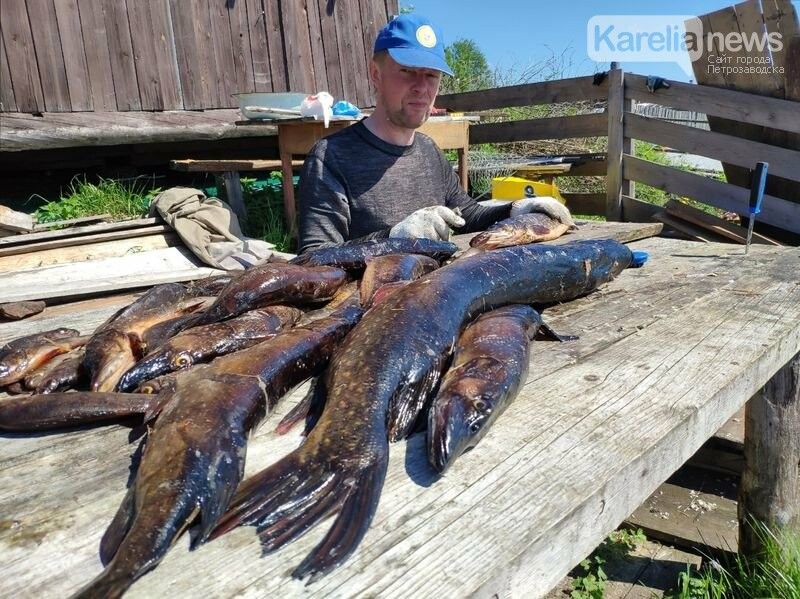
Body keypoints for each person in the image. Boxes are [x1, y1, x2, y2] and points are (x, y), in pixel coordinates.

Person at [297, 13, 570, 254]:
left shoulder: (429, 151)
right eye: (407, 71)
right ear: (376, 74)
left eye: (431, 76)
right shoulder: (332, 157)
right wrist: (395, 238)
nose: (421, 87)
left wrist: (518, 210)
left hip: (438, 294)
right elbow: (316, 256)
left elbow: (467, 217)